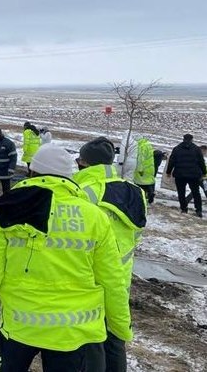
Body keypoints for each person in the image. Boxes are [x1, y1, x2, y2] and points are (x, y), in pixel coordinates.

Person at [0, 144, 132, 372]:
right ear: (69, 176)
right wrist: (120, 327)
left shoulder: (9, 207)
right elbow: (113, 281)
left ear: (32, 171)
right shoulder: (94, 217)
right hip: (76, 333)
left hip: (20, 326)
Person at [73, 137, 147, 372]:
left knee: (89, 343)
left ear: (85, 163)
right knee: (115, 339)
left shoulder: (82, 193)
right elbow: (135, 236)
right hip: (120, 280)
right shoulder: (136, 193)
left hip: (88, 281)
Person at [165, 134, 206, 218]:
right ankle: (198, 210)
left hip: (180, 174)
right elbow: (201, 162)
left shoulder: (177, 149)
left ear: (183, 139)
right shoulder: (196, 149)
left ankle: (184, 209)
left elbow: (171, 161)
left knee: (181, 192)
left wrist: (168, 172)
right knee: (196, 193)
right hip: (194, 175)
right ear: (192, 140)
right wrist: (204, 172)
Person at [131, 136, 156, 204]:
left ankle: (142, 198)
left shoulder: (142, 147)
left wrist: (140, 169)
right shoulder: (148, 144)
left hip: (143, 168)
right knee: (148, 182)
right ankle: (151, 194)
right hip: (150, 168)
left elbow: (140, 159)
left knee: (141, 184)